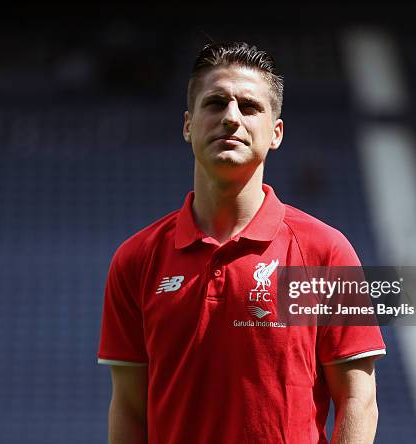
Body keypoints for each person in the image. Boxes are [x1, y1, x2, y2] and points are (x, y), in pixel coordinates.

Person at [97, 41, 386, 444]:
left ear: (276, 133)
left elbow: (358, 399)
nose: (231, 118)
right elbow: (128, 410)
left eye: (249, 107)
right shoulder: (136, 260)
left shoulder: (324, 252)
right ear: (187, 125)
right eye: (215, 103)